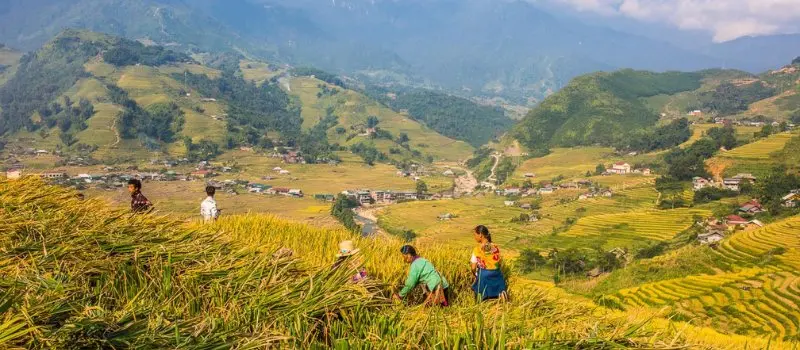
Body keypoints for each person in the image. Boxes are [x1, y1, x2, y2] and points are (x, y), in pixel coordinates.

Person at [470, 225, 508, 301]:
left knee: (477, 292)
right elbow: (497, 262)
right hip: (497, 275)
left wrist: (475, 274)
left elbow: (473, 267)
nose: (474, 237)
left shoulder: (477, 249)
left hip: (484, 276)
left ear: (480, 235)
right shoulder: (496, 247)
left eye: (475, 235)